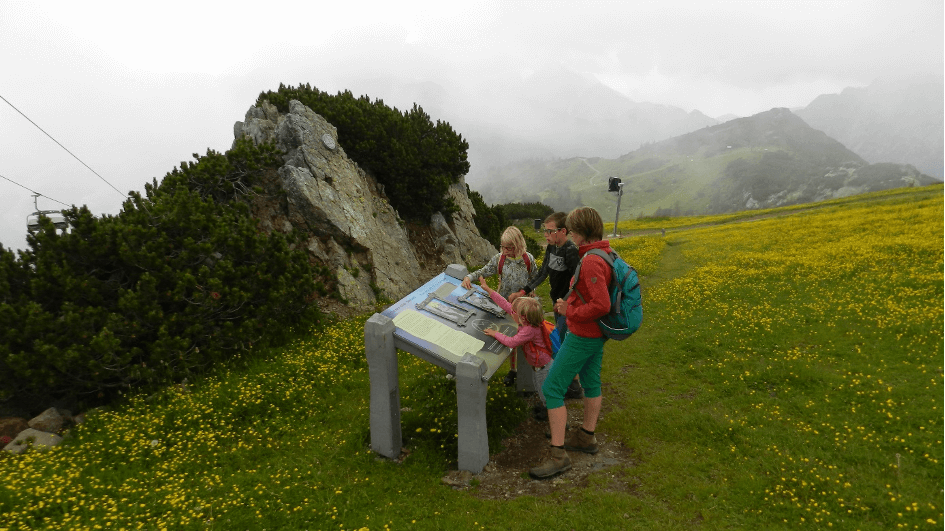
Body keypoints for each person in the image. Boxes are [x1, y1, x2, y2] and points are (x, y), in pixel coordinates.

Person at [529, 206, 613, 480]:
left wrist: (569, 311)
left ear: (581, 231)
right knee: (591, 383)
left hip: (583, 334)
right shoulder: (605, 253)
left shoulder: (589, 260)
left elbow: (602, 304)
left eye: (573, 228)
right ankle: (586, 437)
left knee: (553, 388)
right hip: (596, 335)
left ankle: (558, 455)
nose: (571, 233)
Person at [508, 212, 583, 401]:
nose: (546, 235)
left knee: (562, 344)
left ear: (563, 231)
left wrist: (566, 302)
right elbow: (543, 273)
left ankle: (572, 386)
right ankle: (571, 384)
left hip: (567, 305)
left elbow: (577, 281)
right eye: (545, 231)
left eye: (550, 231)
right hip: (557, 303)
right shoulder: (551, 248)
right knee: (561, 342)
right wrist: (522, 292)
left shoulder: (570, 250)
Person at [462, 226, 538, 386]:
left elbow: (535, 278)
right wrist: (469, 276)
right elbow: (483, 271)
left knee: (524, 339)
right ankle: (512, 370)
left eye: (509, 248)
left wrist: (531, 292)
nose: (505, 251)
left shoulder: (528, 259)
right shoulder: (499, 259)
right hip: (503, 304)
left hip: (523, 308)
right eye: (503, 247)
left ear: (518, 245)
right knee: (509, 336)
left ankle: (528, 374)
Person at [478, 277, 554, 413]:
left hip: (543, 367)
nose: (511, 312)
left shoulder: (528, 330)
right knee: (540, 386)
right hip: (540, 364)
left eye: (514, 312)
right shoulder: (529, 321)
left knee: (545, 390)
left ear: (522, 317)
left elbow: (511, 342)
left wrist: (495, 333)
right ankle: (545, 405)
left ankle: (549, 411)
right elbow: (505, 304)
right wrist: (488, 289)